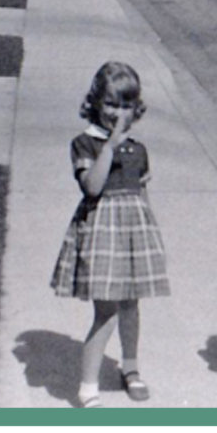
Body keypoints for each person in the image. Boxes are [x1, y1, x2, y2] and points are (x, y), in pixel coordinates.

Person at [51, 62, 170, 408]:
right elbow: (92, 187)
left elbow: (141, 196)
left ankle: (130, 368)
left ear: (136, 109)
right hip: (102, 232)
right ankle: (88, 385)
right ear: (96, 103)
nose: (118, 113)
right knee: (107, 310)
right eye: (111, 104)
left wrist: (151, 236)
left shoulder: (139, 150)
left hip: (133, 232)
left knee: (131, 304)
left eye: (126, 106)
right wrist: (109, 147)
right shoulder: (85, 144)